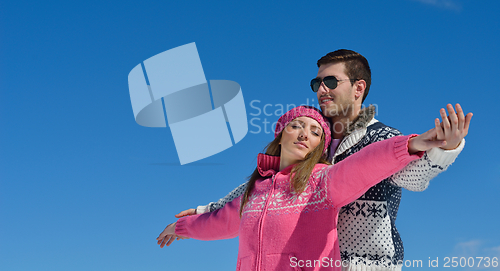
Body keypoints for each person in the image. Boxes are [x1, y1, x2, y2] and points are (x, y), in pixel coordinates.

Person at [169, 50, 472, 270]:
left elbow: (414, 177)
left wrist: (444, 148)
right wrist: (205, 210)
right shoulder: (314, 143)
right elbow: (263, 191)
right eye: (317, 84)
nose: (321, 90)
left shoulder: (383, 138)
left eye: (330, 81)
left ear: (358, 88)